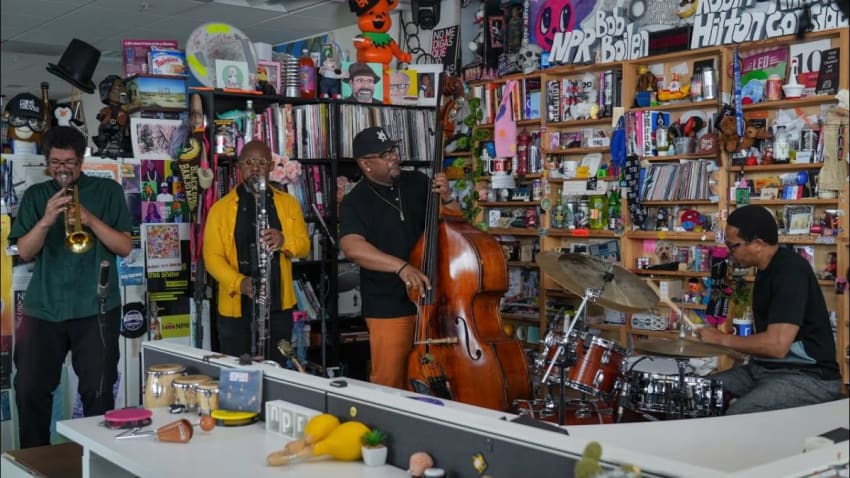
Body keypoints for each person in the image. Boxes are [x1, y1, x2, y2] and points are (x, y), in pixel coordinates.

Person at [8, 126, 132, 448]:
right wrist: (47, 219)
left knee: (98, 391)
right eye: (56, 162)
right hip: (44, 307)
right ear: (47, 163)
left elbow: (123, 246)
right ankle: (34, 460)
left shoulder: (108, 192)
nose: (63, 169)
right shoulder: (36, 196)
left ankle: (95, 458)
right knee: (29, 388)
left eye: (71, 162)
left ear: (82, 162)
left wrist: (90, 220)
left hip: (96, 306)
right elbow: (24, 251)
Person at [339, 126, 459, 389]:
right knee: (390, 382)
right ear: (366, 164)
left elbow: (456, 228)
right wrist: (401, 267)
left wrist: (448, 199)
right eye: (384, 154)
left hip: (436, 299)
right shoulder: (355, 201)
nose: (393, 157)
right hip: (388, 305)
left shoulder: (417, 181)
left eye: (393, 149)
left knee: (443, 379)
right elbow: (351, 246)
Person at [696, 205, 841, 414]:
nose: (729, 251)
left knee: (738, 416)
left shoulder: (790, 271)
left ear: (757, 244)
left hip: (808, 376)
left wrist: (721, 340)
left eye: (733, 245)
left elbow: (777, 345)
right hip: (765, 369)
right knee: (700, 393)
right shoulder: (765, 269)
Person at [203, 141, 310, 365]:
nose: (255, 168)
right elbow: (211, 257)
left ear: (271, 166)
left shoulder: (288, 204)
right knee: (236, 373)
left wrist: (283, 241)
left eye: (261, 163)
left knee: (276, 369)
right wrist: (239, 282)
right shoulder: (220, 209)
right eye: (249, 162)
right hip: (235, 311)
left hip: (278, 307)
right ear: (240, 166)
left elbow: (304, 246)